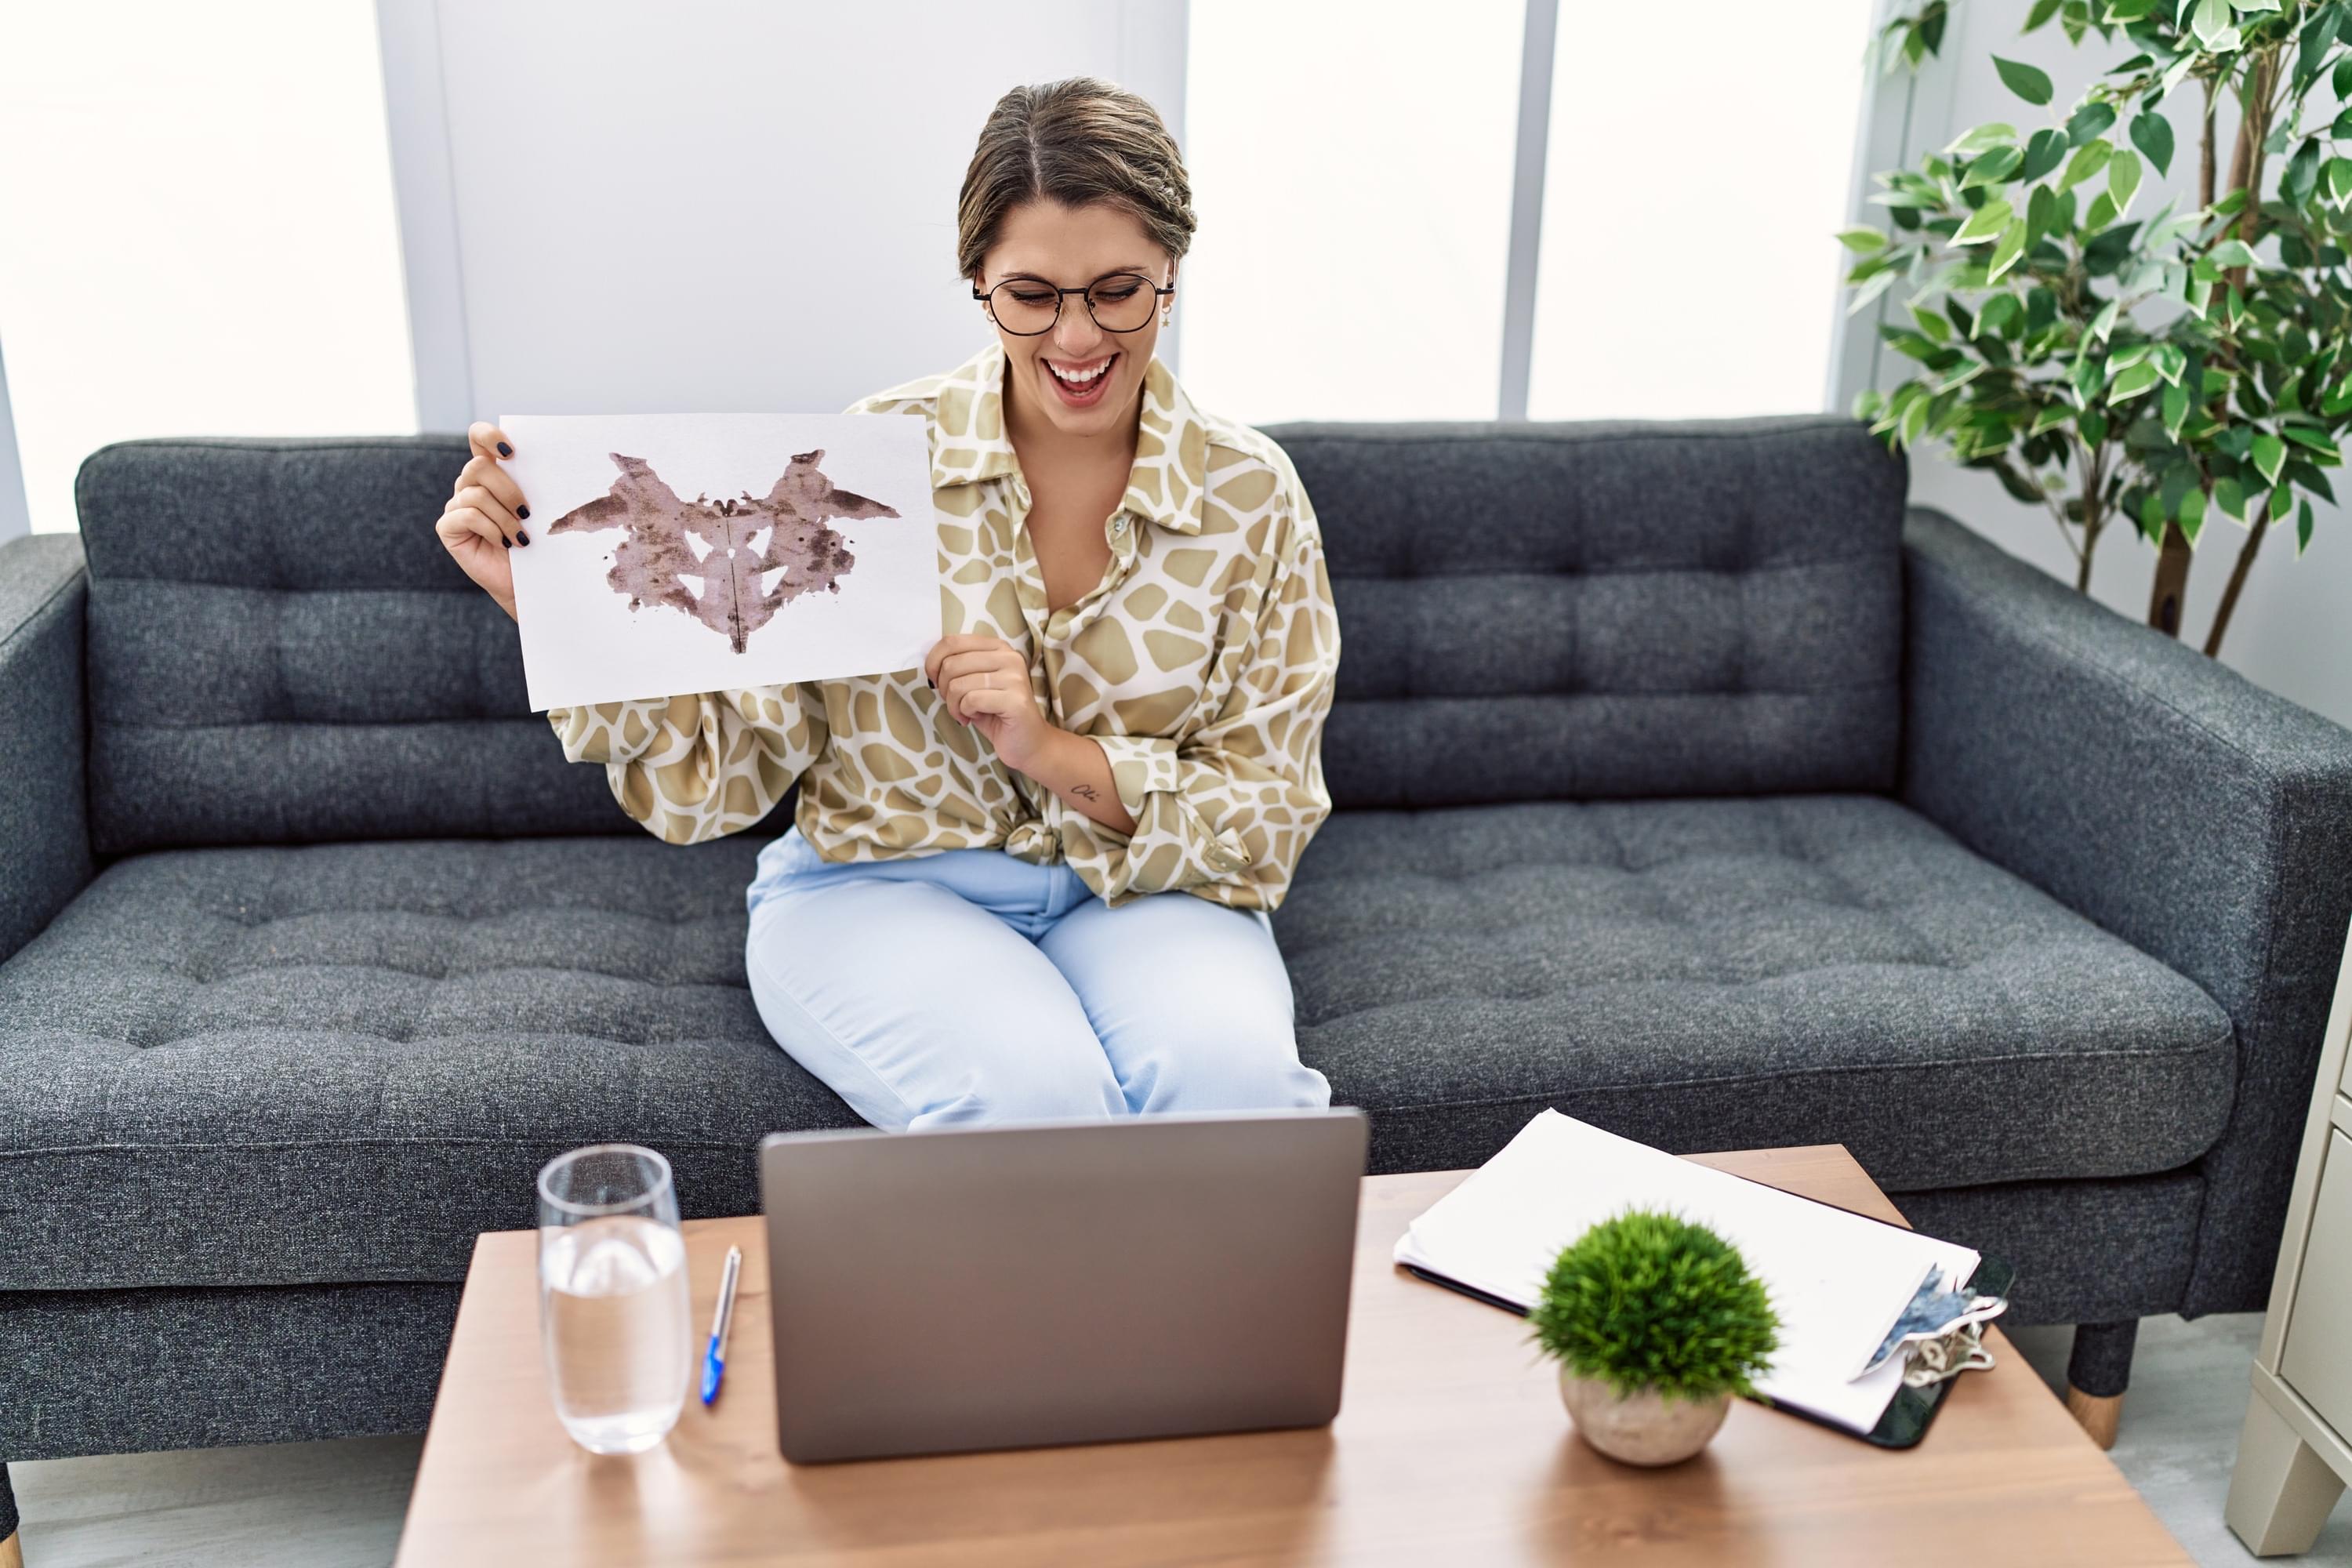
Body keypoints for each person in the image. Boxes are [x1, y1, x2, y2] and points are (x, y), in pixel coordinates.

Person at [433, 77, 1340, 1130]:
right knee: (1033, 1106)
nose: (1077, 337)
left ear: (1171, 276)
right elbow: (719, 784)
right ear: (977, 280)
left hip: (1152, 889)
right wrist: (545, 605)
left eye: (1118, 290)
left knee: (1246, 1105)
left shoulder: (1252, 495)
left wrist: (1047, 749)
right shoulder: (871, 458)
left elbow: (1268, 816)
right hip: (880, 891)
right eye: (1033, 293)